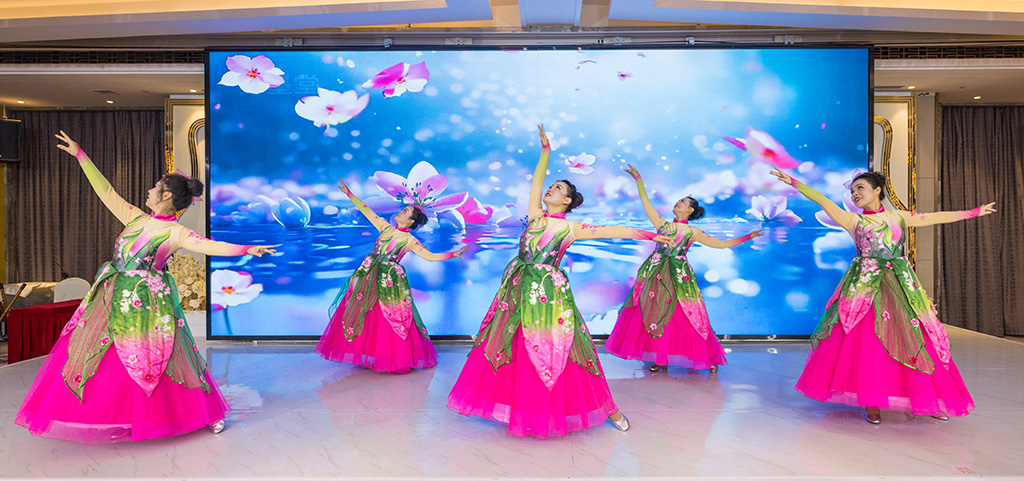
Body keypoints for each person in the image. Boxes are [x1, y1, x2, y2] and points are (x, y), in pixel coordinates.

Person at [15, 131, 275, 444]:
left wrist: (247, 249)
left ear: (166, 196)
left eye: (155, 187)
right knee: (106, 356)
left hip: (149, 301)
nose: (149, 190)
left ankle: (205, 413)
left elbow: (211, 246)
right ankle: (116, 416)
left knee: (168, 355)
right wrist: (80, 155)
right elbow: (106, 191)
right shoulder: (136, 218)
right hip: (112, 295)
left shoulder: (175, 232)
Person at [447, 126, 673, 438]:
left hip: (549, 294)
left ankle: (608, 408)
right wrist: (545, 152)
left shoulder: (571, 228)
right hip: (517, 289)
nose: (550, 189)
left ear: (567, 201)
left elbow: (613, 231)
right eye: (552, 186)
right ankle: (519, 407)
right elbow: (536, 182)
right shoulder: (535, 216)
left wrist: (650, 235)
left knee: (564, 346)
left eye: (558, 188)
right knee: (513, 344)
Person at [771, 168, 995, 424]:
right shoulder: (853, 221)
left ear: (878, 190)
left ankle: (923, 399)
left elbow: (934, 217)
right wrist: (793, 182)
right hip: (865, 288)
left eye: (860, 188)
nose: (855, 194)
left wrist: (974, 212)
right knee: (868, 343)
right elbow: (821, 199)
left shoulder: (898, 217)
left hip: (900, 285)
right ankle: (872, 402)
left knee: (915, 340)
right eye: (852, 191)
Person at [605, 164, 762, 373]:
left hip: (679, 277)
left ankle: (708, 358)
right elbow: (646, 204)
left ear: (690, 210)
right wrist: (639, 181)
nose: (678, 202)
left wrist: (747, 237)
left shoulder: (693, 232)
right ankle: (659, 357)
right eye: (679, 200)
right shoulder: (662, 225)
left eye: (683, 202)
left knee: (688, 316)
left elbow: (721, 244)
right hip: (655, 274)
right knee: (654, 313)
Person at [316, 179, 467, 373]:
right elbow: (367, 211)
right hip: (369, 275)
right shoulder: (385, 228)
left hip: (390, 280)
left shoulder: (409, 240)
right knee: (366, 313)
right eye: (403, 209)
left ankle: (392, 356)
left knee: (392, 315)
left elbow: (429, 256)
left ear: (410, 221)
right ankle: (366, 352)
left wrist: (452, 254)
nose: (401, 211)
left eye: (406, 211)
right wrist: (349, 194)